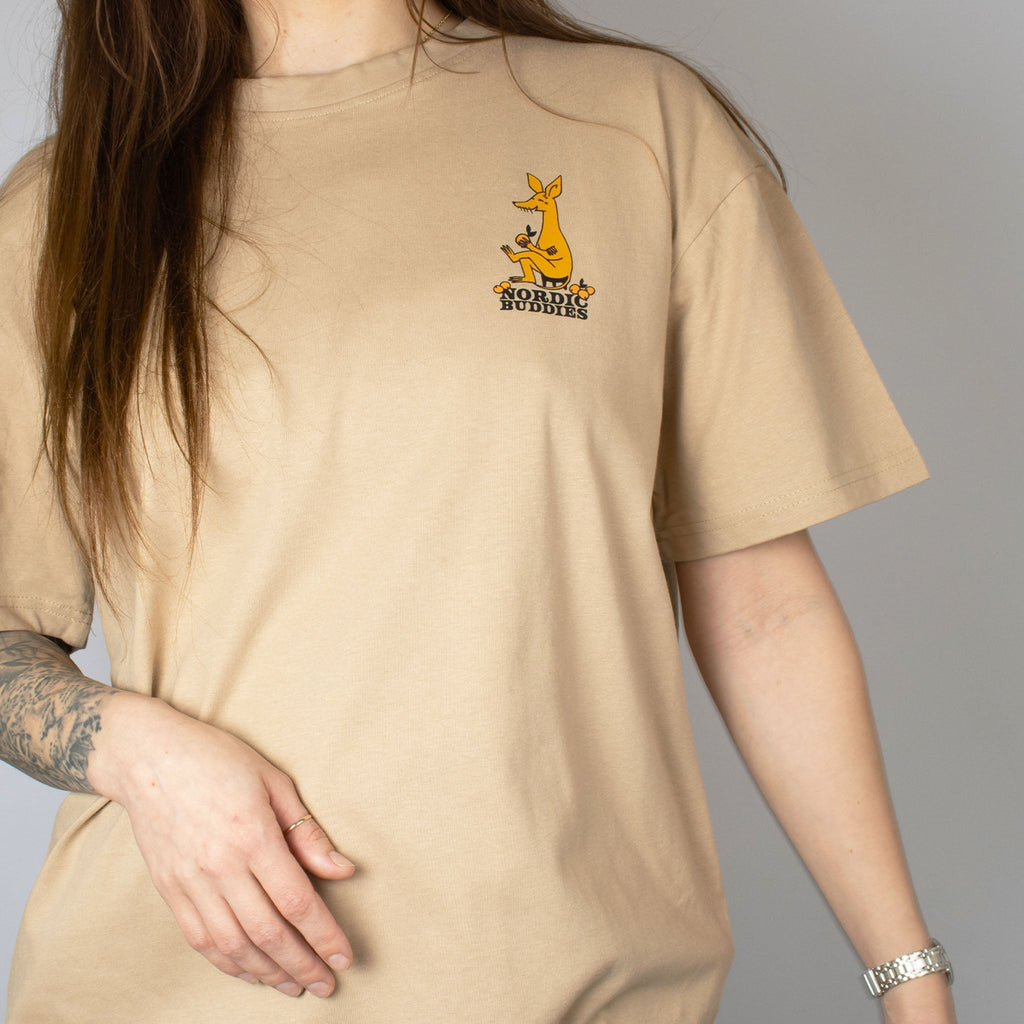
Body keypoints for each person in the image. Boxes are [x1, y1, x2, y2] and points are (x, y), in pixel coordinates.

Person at [0, 1, 958, 1021]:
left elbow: (764, 608)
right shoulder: (67, 206)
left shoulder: (632, 126)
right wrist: (134, 751)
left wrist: (910, 981)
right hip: (169, 988)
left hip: (574, 982)